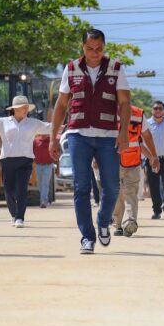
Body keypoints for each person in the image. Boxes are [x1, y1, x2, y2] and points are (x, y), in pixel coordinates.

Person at [49, 29, 130, 255]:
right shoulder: (71, 68)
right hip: (78, 134)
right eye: (89, 49)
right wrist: (53, 137)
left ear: (104, 47)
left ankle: (103, 221)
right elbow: (62, 104)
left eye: (99, 49)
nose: (94, 53)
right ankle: (87, 237)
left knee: (112, 186)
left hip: (108, 136)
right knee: (81, 187)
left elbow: (124, 102)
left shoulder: (116, 68)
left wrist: (123, 133)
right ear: (83, 48)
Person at [0, 95, 51, 228]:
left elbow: (48, 127)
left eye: (27, 107)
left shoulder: (33, 123)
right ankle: (14, 214)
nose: (25, 109)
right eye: (22, 107)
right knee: (8, 190)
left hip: (25, 161)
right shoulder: (3, 122)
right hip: (8, 160)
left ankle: (20, 217)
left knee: (21, 189)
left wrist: (65, 126)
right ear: (15, 109)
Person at [112, 105, 159, 237]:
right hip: (130, 160)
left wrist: (153, 156)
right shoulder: (138, 114)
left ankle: (121, 223)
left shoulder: (109, 110)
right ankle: (127, 222)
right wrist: (153, 156)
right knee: (129, 193)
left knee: (120, 192)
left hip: (115, 160)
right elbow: (146, 136)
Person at [33, 134, 56, 208]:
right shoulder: (35, 141)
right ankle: (44, 199)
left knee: (45, 183)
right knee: (40, 184)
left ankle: (43, 201)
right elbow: (31, 152)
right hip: (38, 165)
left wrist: (57, 167)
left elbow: (56, 153)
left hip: (48, 165)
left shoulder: (51, 141)